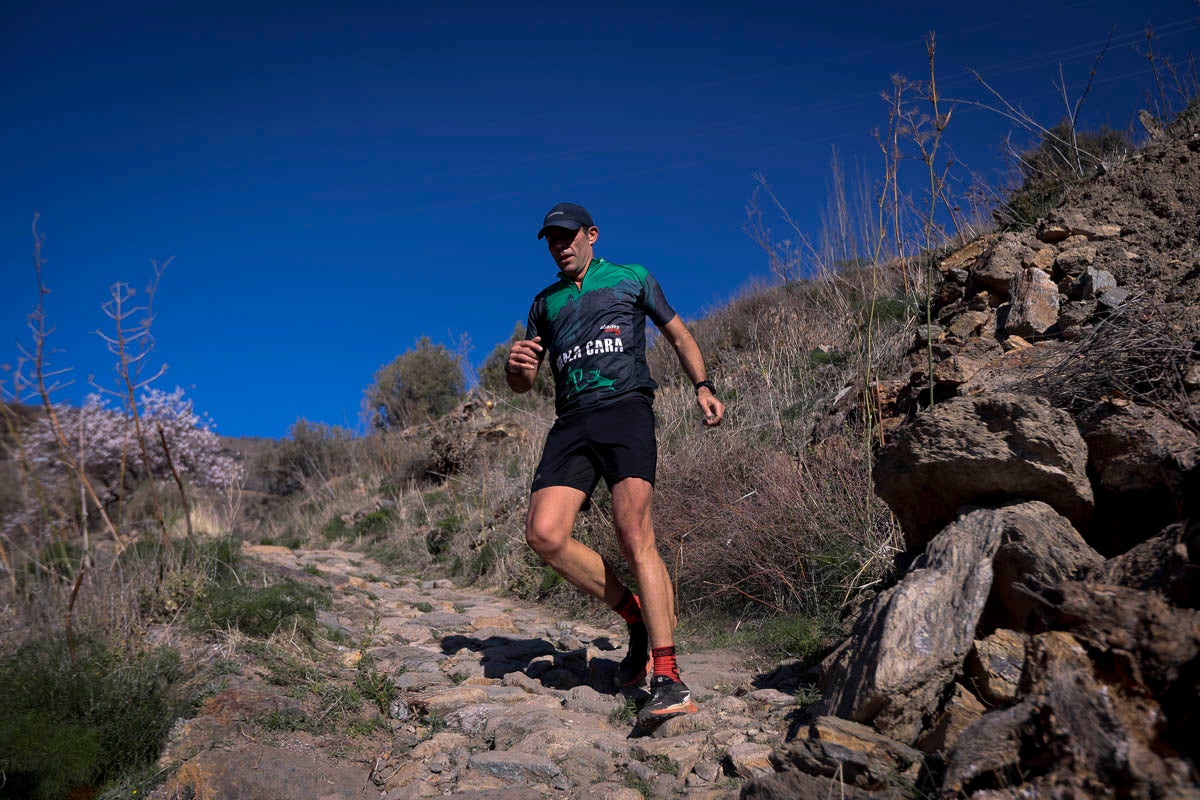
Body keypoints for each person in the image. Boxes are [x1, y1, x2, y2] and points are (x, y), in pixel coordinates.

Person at [505, 202, 725, 723]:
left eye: (568, 236)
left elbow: (678, 334)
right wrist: (516, 369)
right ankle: (636, 614)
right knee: (544, 534)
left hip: (626, 410)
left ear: (592, 235)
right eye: (551, 239)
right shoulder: (544, 303)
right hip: (571, 422)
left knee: (633, 533)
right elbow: (524, 383)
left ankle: (667, 676)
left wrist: (702, 385)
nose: (560, 246)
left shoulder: (632, 277)